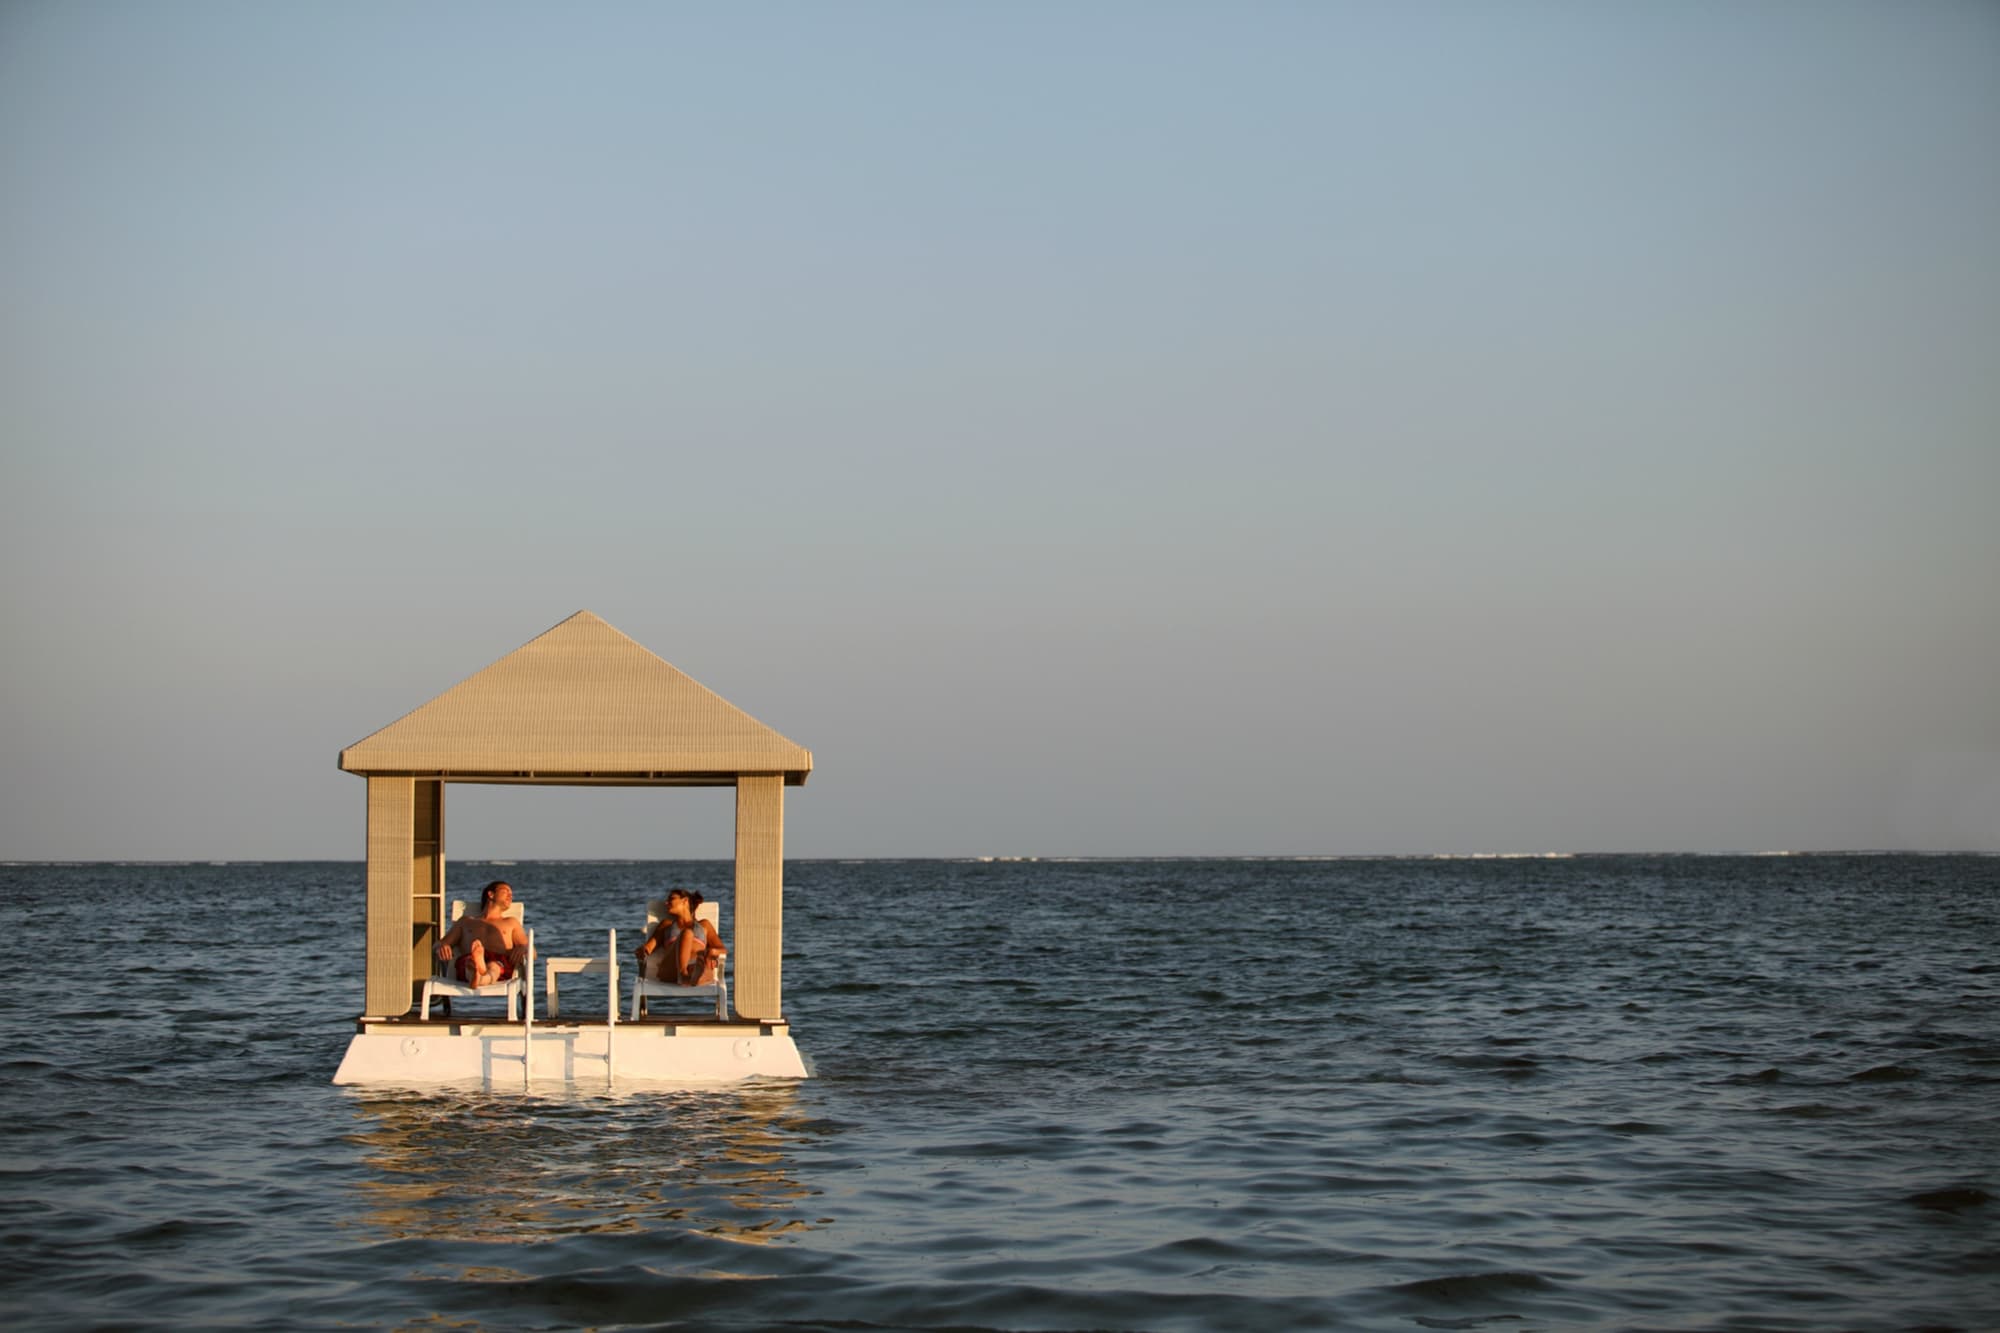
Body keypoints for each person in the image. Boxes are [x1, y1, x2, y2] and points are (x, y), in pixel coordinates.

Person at [435, 880, 528, 986]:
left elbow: (532, 952)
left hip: (499, 962)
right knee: (469, 963)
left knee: (494, 966)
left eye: (511, 894)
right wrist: (442, 946)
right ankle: (477, 971)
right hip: (469, 958)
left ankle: (478, 977)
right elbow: (438, 944)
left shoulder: (511, 922)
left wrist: (523, 948)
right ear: (491, 894)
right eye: (506, 891)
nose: (510, 896)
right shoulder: (465, 921)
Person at [632, 888, 725, 985]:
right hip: (671, 970)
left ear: (685, 901)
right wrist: (642, 951)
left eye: (671, 899)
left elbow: (722, 949)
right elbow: (648, 948)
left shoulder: (704, 925)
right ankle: (683, 975)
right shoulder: (666, 925)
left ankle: (694, 977)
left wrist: (712, 952)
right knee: (687, 934)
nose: (666, 903)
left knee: (702, 966)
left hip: (695, 966)